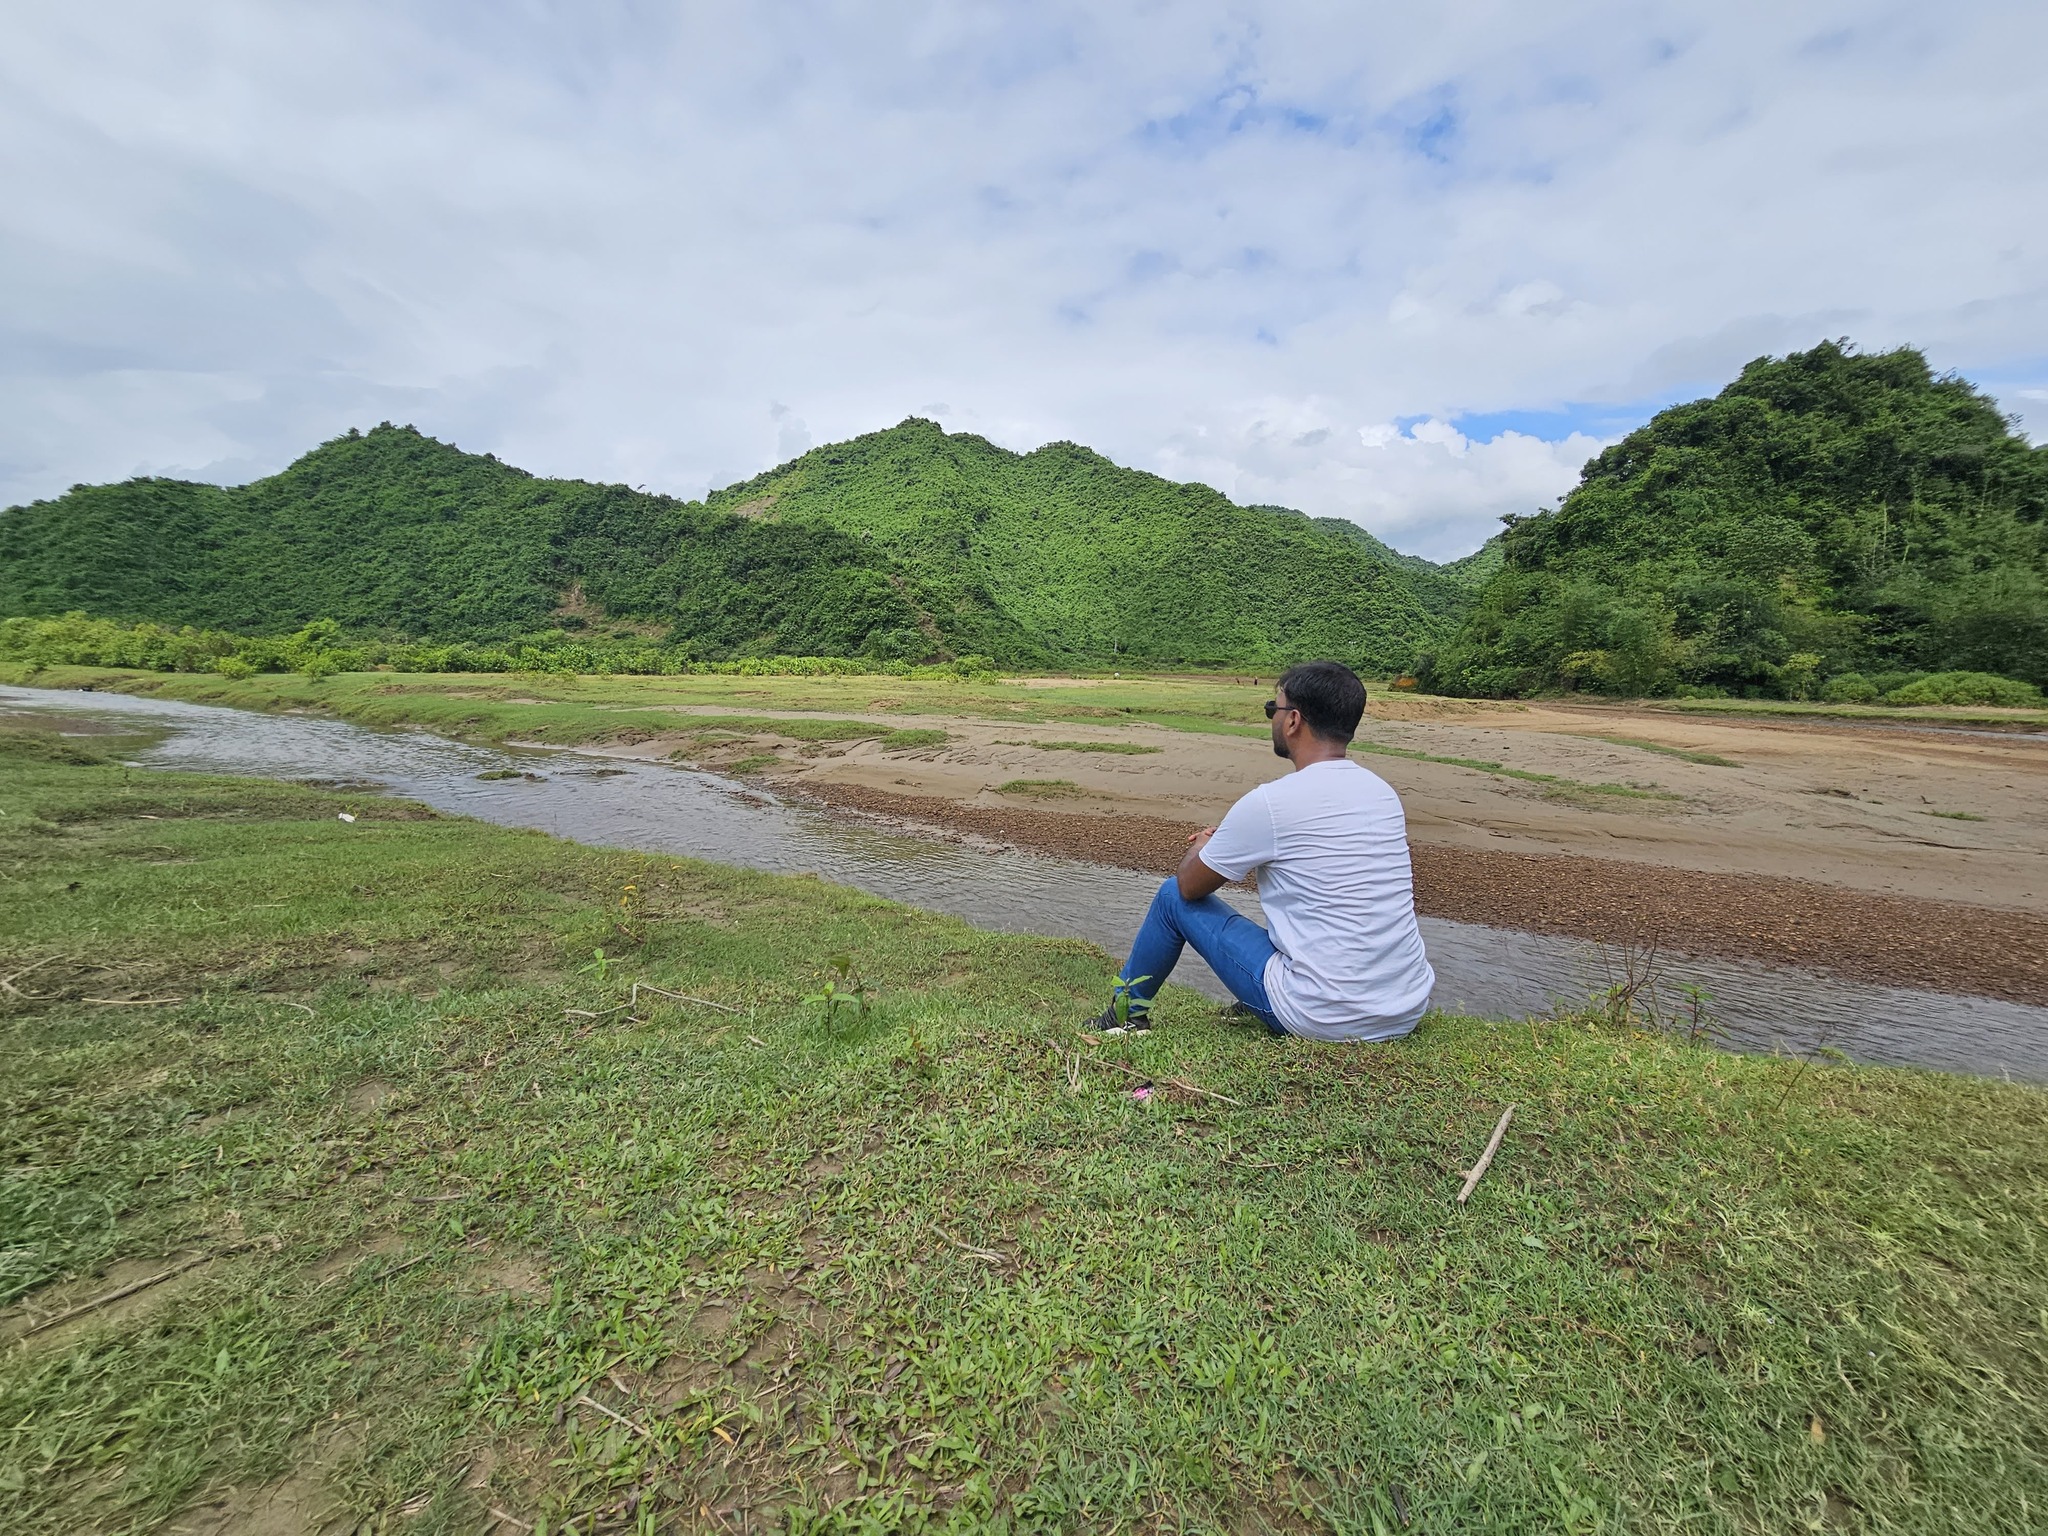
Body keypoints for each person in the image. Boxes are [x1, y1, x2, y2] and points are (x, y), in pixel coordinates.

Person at [1083, 660, 1435, 1041]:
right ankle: (1255, 995)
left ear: (1293, 720)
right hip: (1406, 1008)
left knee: (1171, 897)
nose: (1272, 717)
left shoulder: (1271, 802)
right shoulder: (1382, 794)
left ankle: (1125, 1014)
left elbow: (1189, 887)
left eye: (1274, 708)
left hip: (1319, 1015)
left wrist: (1203, 846)